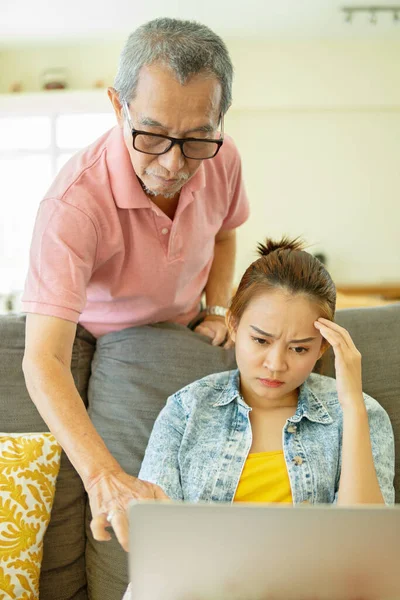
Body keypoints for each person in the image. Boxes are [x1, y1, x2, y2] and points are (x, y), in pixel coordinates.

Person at [21, 18, 249, 551]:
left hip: (181, 333)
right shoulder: (71, 206)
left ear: (220, 120)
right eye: (152, 135)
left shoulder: (225, 158)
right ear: (117, 106)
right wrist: (104, 478)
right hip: (101, 340)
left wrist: (217, 308)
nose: (173, 164)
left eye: (197, 139)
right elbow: (42, 360)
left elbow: (226, 233)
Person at [121, 236, 395, 598]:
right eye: (261, 341)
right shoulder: (187, 409)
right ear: (233, 325)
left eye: (299, 348)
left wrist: (352, 406)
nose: (276, 364)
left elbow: (365, 553)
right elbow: (156, 545)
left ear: (322, 348)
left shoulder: (360, 413)